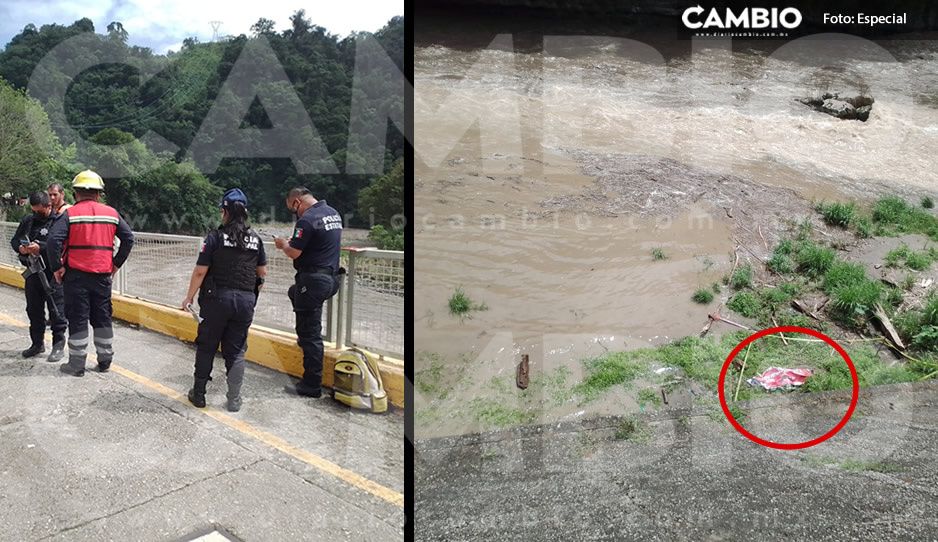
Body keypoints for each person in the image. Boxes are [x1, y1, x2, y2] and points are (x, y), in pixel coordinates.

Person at [181, 188, 267, 412]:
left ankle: (199, 394)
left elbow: (200, 272)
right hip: (245, 302)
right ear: (245, 212)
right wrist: (251, 296)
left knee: (207, 346)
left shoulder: (215, 237)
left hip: (216, 300)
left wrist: (188, 297)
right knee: (237, 350)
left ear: (224, 211)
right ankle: (234, 399)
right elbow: (262, 273)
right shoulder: (256, 239)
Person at [46, 170, 134, 377]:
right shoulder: (111, 213)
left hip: (76, 277)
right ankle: (105, 360)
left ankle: (77, 365)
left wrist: (57, 267)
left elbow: (52, 241)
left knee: (78, 319)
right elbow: (128, 238)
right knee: (102, 318)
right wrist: (115, 264)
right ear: (99, 193)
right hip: (103, 277)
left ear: (76, 193)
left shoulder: (70, 214)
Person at [273, 187, 343, 398]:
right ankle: (305, 341)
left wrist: (283, 244)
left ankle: (311, 384)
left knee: (310, 334)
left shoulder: (306, 220)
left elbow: (294, 252)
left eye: (293, 209)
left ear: (297, 202)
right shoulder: (333, 213)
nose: (295, 214)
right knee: (294, 292)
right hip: (332, 279)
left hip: (313, 281)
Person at [8, 192, 67, 360]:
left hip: (53, 272)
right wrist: (21, 248)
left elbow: (62, 244)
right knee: (34, 310)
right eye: (34, 211)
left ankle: (58, 346)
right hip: (32, 272)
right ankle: (37, 344)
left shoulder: (59, 221)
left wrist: (40, 247)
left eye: (40, 211)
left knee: (56, 311)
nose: (37, 214)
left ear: (49, 206)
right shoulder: (29, 220)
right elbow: (15, 240)